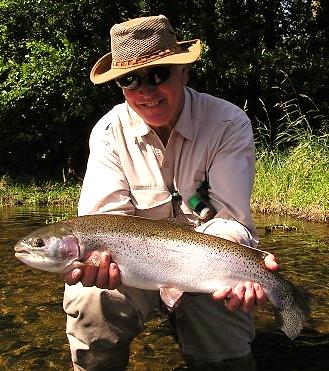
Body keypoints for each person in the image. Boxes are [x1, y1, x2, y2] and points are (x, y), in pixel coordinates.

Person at [64, 14, 278, 371]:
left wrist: (241, 264)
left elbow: (228, 219)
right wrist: (95, 263)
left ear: (185, 73)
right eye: (130, 80)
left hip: (204, 265)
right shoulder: (108, 133)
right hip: (133, 269)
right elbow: (102, 224)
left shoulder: (227, 124)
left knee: (224, 347)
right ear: (120, 85)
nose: (146, 91)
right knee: (90, 300)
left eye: (159, 75)